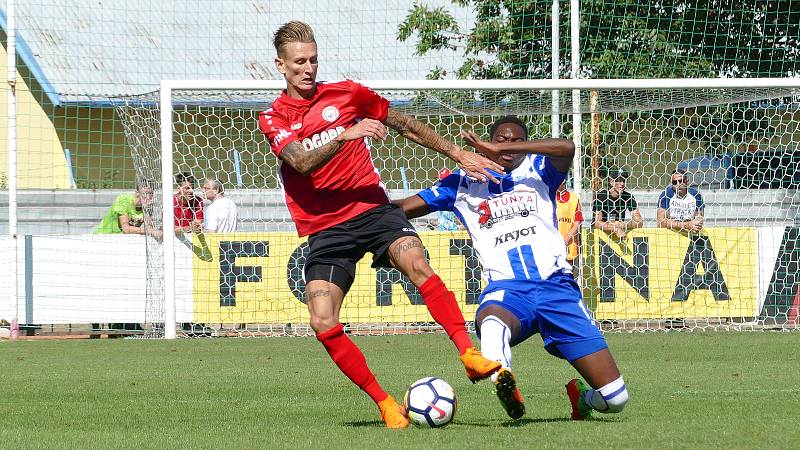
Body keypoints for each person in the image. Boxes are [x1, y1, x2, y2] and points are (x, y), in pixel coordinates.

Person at [258, 20, 503, 428]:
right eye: (299, 62)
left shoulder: (349, 93)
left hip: (372, 209)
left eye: (313, 59)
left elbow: (404, 124)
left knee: (417, 262)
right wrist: (346, 135)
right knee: (322, 319)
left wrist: (457, 154)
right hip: (325, 228)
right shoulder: (274, 117)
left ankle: (469, 354)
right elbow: (300, 161)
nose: (308, 68)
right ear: (280, 65)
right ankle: (386, 403)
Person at [394, 116, 629, 421]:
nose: (508, 146)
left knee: (616, 398)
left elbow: (567, 147)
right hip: (509, 290)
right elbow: (401, 208)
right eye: (500, 140)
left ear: (526, 145)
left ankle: (582, 397)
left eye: (516, 141)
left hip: (557, 289)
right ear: (487, 142)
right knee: (492, 324)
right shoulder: (461, 183)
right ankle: (504, 381)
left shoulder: (540, 171)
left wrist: (504, 147)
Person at [93, 185, 154, 336]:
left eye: (151, 194)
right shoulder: (123, 200)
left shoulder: (147, 207)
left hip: (125, 248)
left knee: (129, 283)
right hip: (105, 241)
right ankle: (100, 325)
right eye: (146, 194)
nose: (149, 198)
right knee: (106, 285)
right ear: (137, 193)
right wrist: (145, 230)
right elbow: (126, 229)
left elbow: (150, 226)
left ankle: (127, 323)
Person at [592, 167, 643, 239]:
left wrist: (624, 225)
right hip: (601, 238)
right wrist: (615, 228)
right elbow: (596, 223)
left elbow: (639, 222)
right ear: (611, 182)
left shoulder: (628, 197)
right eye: (618, 180)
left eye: (624, 181)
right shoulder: (602, 196)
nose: (622, 183)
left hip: (620, 237)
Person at [657, 169, 704, 233]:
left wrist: (696, 224)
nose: (678, 184)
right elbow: (661, 223)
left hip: (690, 233)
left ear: (686, 181)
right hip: (670, 234)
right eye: (674, 182)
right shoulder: (666, 195)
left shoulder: (696, 195)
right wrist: (687, 225)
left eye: (681, 181)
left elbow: (699, 217)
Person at [556, 179, 583, 275]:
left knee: (567, 277)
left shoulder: (574, 199)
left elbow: (577, 223)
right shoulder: (549, 197)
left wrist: (565, 240)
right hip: (551, 246)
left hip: (568, 247)